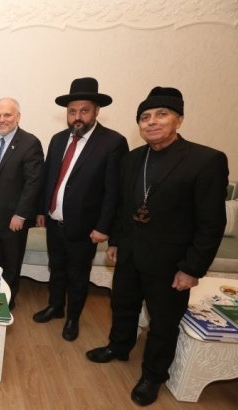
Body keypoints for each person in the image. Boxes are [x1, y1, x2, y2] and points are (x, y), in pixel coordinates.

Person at [86, 87, 228, 406]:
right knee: (122, 305)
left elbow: (211, 223)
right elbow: (124, 205)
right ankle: (119, 346)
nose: (151, 122)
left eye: (161, 115)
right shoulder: (133, 158)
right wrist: (116, 242)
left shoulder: (206, 160)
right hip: (130, 252)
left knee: (163, 323)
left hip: (171, 262)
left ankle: (153, 375)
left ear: (179, 119)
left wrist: (191, 269)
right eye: (145, 117)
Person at [33, 78, 129, 342]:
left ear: (96, 111)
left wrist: (103, 227)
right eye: (72, 111)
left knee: (78, 276)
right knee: (57, 268)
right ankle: (55, 306)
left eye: (84, 110)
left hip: (85, 228)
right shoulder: (58, 139)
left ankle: (73, 318)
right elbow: (49, 178)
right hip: (55, 222)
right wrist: (42, 210)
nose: (77, 117)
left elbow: (114, 191)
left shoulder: (112, 143)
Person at [0, 97, 43, 309]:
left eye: (7, 115)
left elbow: (33, 183)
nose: (2, 119)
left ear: (18, 117)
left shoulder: (29, 143)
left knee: (11, 263)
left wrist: (21, 214)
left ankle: (6, 303)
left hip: (13, 219)